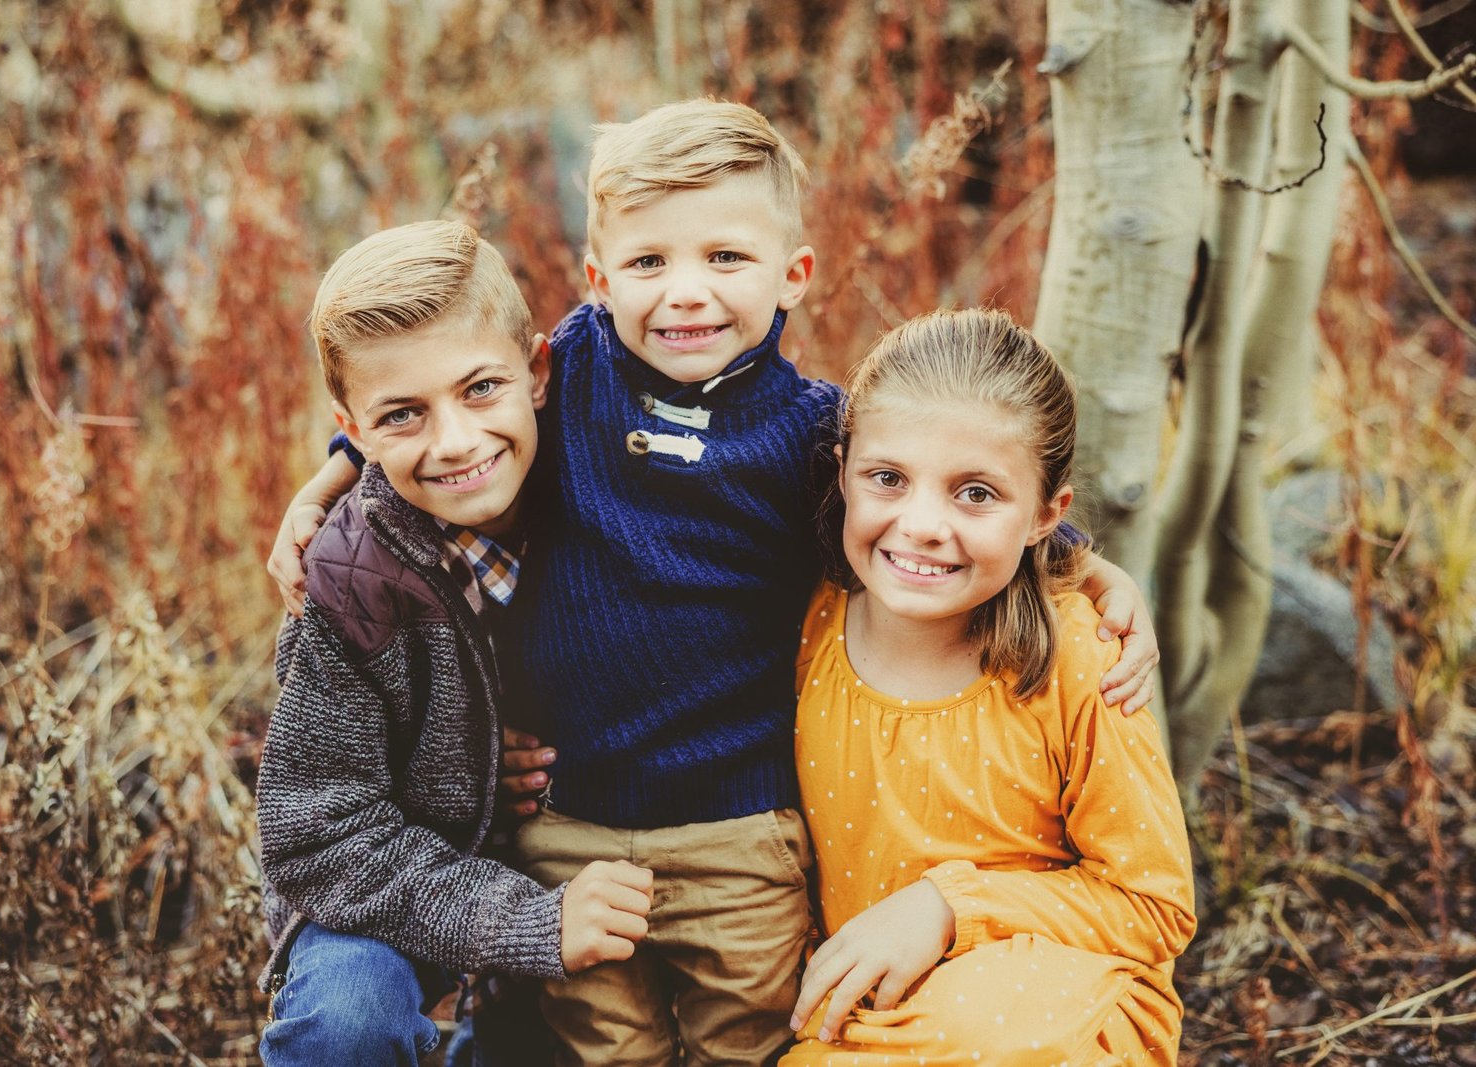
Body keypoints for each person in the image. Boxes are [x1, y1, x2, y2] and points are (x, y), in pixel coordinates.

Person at [268, 101, 1162, 1065]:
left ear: (794, 275)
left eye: (725, 258)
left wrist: (1080, 560)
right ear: (599, 280)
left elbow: (925, 491)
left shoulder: (813, 436)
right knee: (605, 1049)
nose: (686, 293)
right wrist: (335, 478)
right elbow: (443, 382)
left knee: (750, 1042)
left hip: (741, 824)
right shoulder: (572, 371)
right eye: (650, 263)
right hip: (572, 824)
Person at [255, 220, 653, 1067]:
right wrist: (526, 919)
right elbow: (318, 838)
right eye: (403, 415)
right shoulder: (349, 581)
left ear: (537, 373)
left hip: (579, 839)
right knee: (347, 1017)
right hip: (388, 876)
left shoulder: (602, 462)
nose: (456, 442)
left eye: (480, 389)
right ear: (354, 429)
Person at [782, 308, 1196, 1066]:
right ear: (842, 472)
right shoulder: (811, 620)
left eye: (975, 493)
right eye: (888, 478)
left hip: (1051, 1010)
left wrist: (950, 905)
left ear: (1046, 515)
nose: (922, 524)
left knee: (976, 1035)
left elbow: (1154, 905)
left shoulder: (1080, 658)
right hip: (870, 1004)